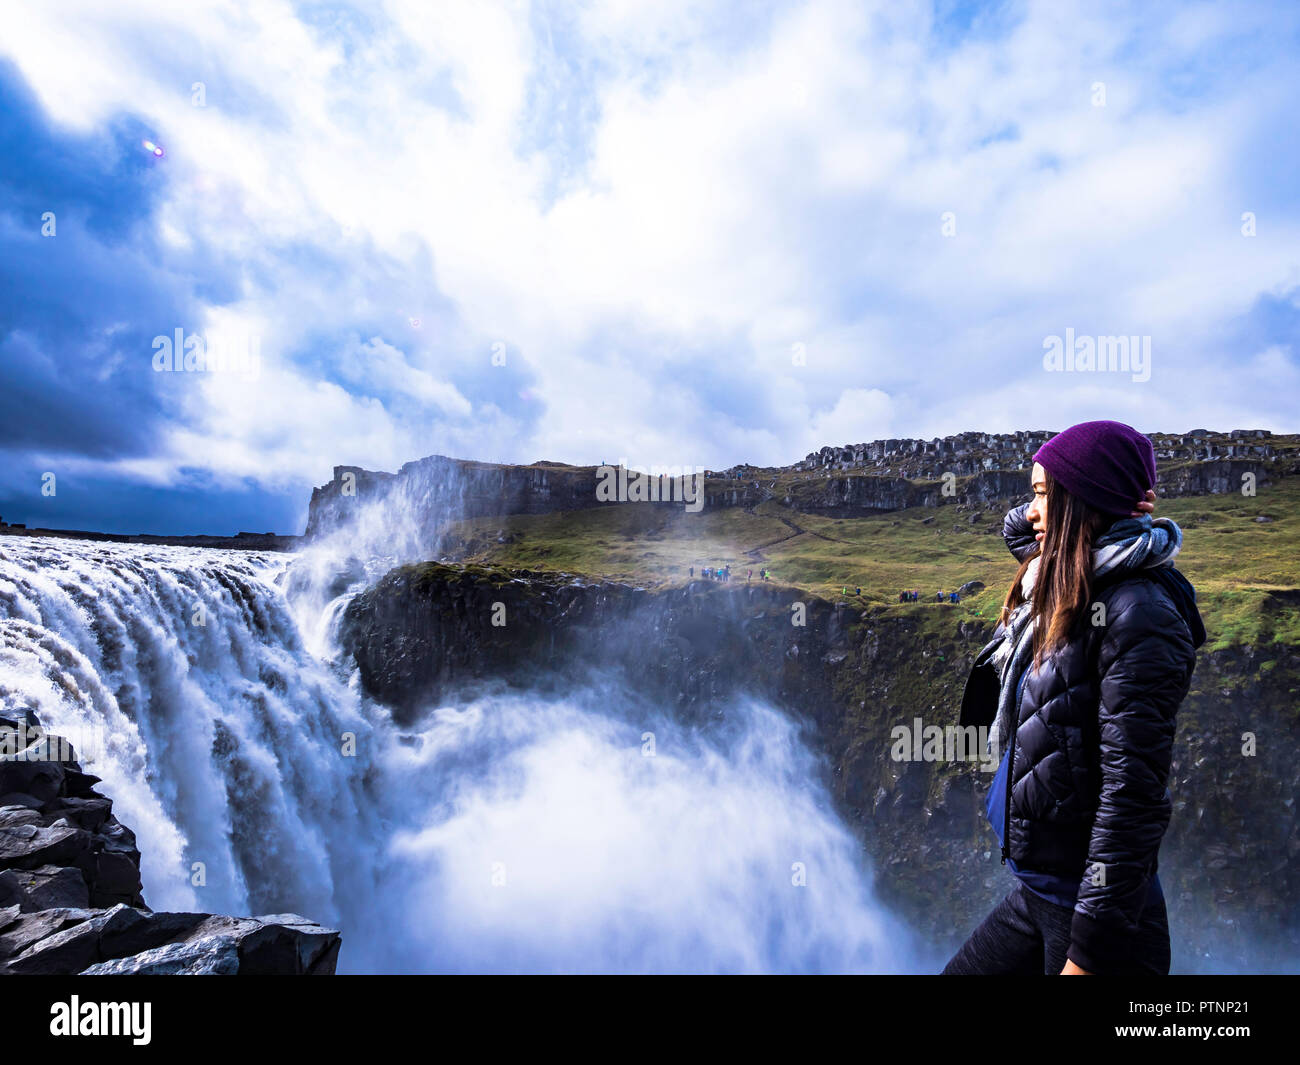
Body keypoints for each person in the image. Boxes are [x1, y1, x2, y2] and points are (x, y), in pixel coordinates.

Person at [942, 420, 1205, 976]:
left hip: (1094, 921)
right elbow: (1022, 532)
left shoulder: (1137, 613)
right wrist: (1088, 494)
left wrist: (1086, 958)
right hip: (1038, 894)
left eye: (1041, 495)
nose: (1030, 512)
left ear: (1082, 502)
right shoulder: (1067, 575)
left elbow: (1131, 799)